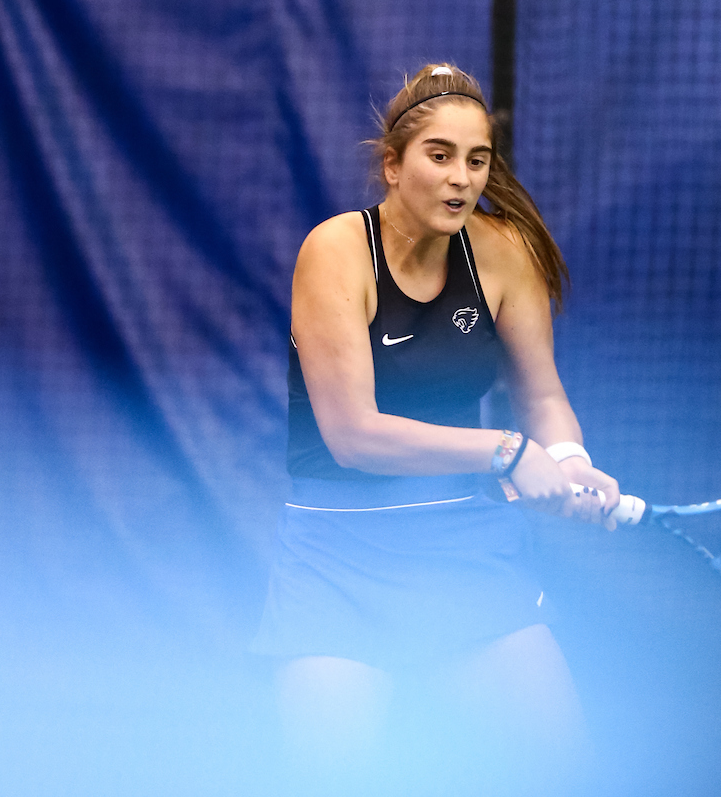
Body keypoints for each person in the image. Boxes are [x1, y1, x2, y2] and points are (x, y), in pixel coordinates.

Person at [251, 63, 621, 796]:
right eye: (440, 156)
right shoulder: (334, 251)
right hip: (335, 557)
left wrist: (570, 459)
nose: (461, 179)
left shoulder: (503, 252)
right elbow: (352, 434)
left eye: (477, 160)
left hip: (461, 550)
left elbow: (541, 393)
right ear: (393, 165)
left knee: (567, 772)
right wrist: (507, 453)